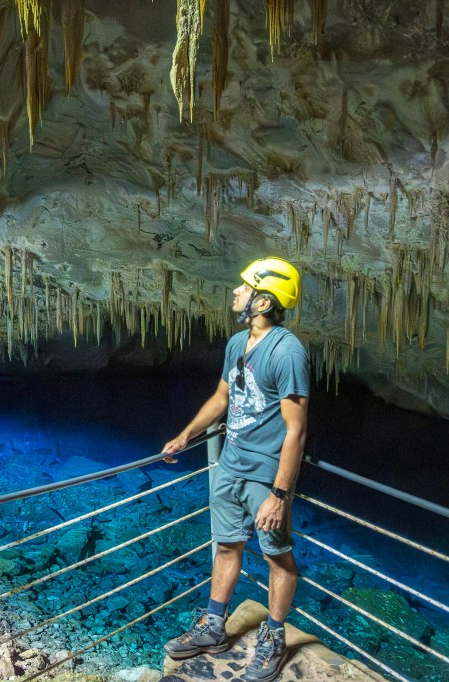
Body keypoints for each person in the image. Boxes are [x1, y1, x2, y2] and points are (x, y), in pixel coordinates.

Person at [162, 256, 309, 682]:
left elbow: (296, 431)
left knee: (276, 556)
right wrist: (187, 434)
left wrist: (280, 495)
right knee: (227, 545)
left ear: (264, 302)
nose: (235, 292)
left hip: (265, 474)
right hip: (229, 464)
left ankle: (274, 637)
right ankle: (213, 627)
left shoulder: (288, 353)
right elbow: (221, 398)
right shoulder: (235, 343)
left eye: (244, 288)